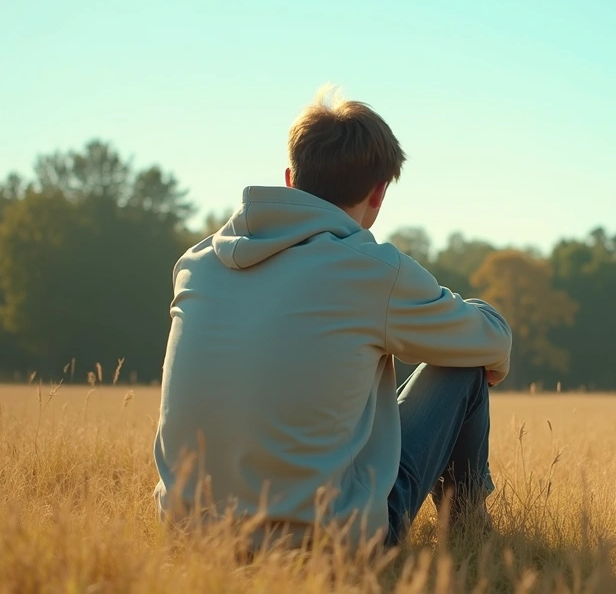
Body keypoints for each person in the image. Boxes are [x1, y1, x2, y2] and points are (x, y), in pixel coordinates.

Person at [152, 87, 512, 550]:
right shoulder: (370, 270)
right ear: (379, 192)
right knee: (464, 365)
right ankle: (467, 530)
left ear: (290, 179)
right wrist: (485, 337)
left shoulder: (196, 264)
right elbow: (491, 340)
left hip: (190, 536)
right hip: (330, 542)